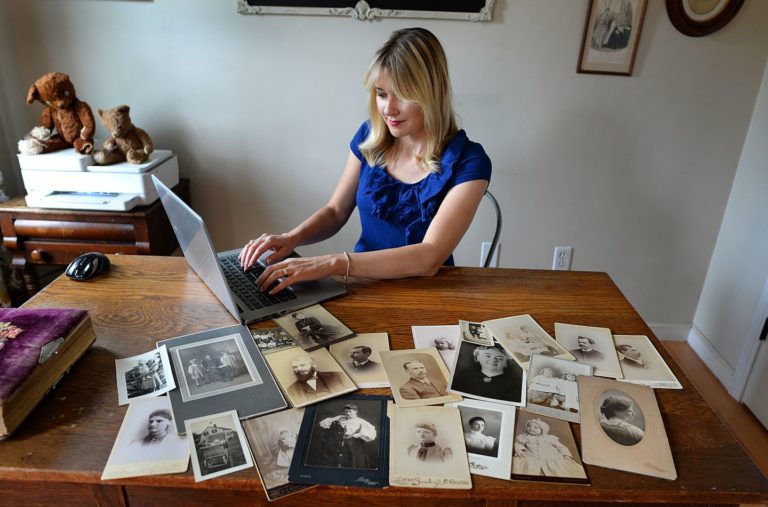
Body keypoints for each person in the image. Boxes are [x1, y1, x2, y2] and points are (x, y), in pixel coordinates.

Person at [238, 28, 491, 294]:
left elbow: (429, 258)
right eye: (381, 94)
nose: (388, 109)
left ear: (432, 93)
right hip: (362, 287)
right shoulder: (370, 136)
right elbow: (336, 211)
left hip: (428, 296)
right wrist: (292, 238)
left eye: (402, 95)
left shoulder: (470, 161)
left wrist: (332, 263)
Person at [513, 418, 584, 478]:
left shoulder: (549, 438)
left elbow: (561, 447)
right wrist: (519, 450)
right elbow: (519, 444)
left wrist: (566, 454)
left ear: (542, 430)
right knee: (525, 468)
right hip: (531, 456)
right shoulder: (524, 437)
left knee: (558, 471)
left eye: (535, 427)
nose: (531, 428)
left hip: (550, 456)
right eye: (529, 426)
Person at [450, 345, 523, 402]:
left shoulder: (515, 383)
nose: (493, 360)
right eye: (488, 356)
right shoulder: (464, 376)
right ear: (478, 357)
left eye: (500, 358)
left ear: (506, 363)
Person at [318, 403, 377, 468]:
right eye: (346, 412)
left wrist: (356, 435)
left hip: (354, 446)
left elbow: (372, 435)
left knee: (353, 462)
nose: (348, 413)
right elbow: (325, 423)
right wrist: (337, 419)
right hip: (340, 445)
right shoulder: (341, 418)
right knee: (339, 462)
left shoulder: (360, 421)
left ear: (356, 411)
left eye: (350, 411)